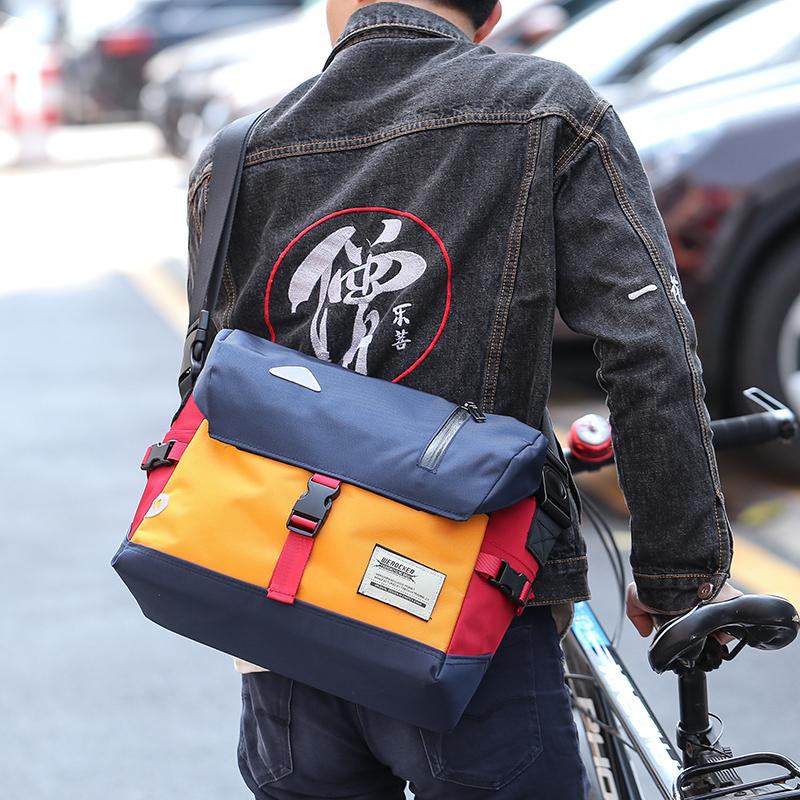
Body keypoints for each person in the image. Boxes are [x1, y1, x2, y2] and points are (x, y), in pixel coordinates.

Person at [185, 0, 738, 796]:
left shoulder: (233, 157)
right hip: (467, 626)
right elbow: (647, 344)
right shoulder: (547, 107)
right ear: (490, 16)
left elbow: (219, 391)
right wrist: (680, 571)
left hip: (283, 636)